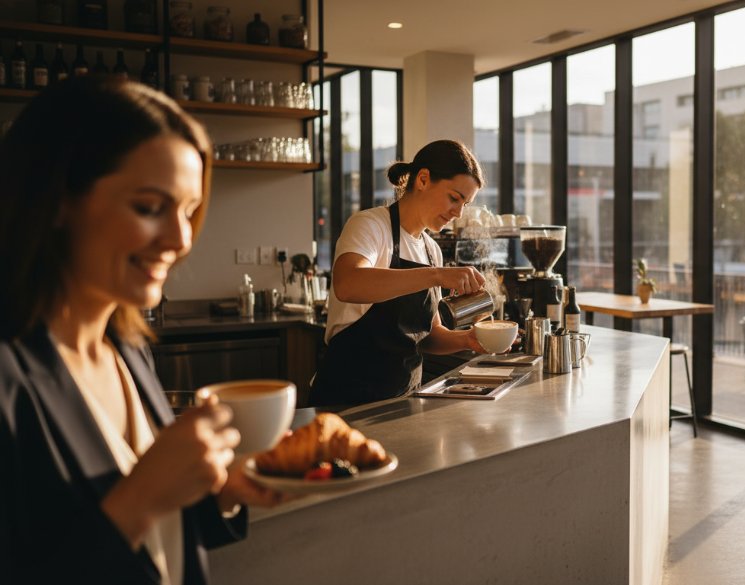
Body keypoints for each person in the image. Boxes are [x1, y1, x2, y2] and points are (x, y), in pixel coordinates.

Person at [0, 77, 283, 584]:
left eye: (189, 211)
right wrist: (142, 496)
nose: (179, 239)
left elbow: (154, 539)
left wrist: (218, 494)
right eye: (150, 208)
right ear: (58, 199)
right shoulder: (10, 375)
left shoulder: (127, 351)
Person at [310, 139, 512, 407]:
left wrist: (468, 340)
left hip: (402, 402)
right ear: (424, 179)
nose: (458, 213)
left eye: (465, 204)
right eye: (454, 198)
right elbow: (347, 284)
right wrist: (436, 275)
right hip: (346, 399)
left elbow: (428, 336)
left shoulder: (430, 250)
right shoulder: (370, 225)